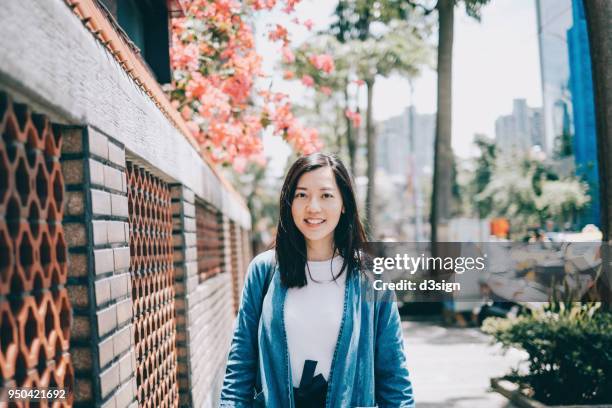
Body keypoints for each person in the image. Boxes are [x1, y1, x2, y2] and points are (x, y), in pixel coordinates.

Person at [219, 153, 414, 407]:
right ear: (289, 202)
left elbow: (394, 376)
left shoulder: (371, 276)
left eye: (326, 195)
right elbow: (240, 366)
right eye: (302, 195)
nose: (313, 207)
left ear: (344, 203)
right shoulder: (264, 271)